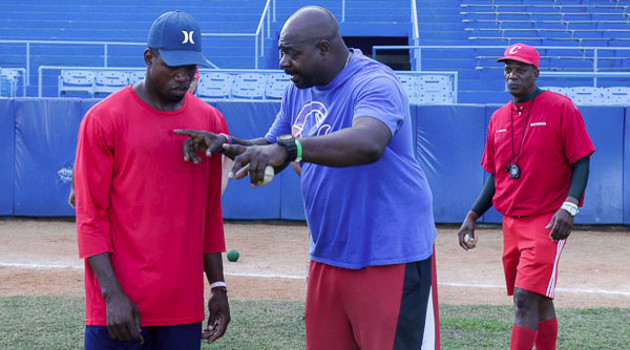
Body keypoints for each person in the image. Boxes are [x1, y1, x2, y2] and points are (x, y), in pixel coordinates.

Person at [175, 6, 440, 350]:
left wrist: (289, 150)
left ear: (325, 49)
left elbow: (369, 142)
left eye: (292, 54)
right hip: (328, 255)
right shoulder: (299, 88)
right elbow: (272, 146)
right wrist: (225, 144)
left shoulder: (375, 82)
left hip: (390, 256)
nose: (283, 62)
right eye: (282, 52)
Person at [74, 10, 231, 349]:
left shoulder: (210, 122)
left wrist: (218, 286)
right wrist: (112, 297)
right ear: (149, 57)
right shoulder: (103, 120)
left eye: (190, 68)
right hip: (119, 310)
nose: (184, 76)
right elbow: (90, 219)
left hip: (183, 311)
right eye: (174, 66)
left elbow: (209, 213)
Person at [457, 43, 595, 350]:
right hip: (511, 223)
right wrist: (472, 214)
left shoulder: (561, 107)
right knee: (540, 299)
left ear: (536, 73)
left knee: (523, 299)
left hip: (547, 220)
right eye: (508, 69)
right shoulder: (497, 119)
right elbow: (496, 175)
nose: (512, 75)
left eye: (520, 69)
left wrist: (569, 207)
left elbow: (582, 160)